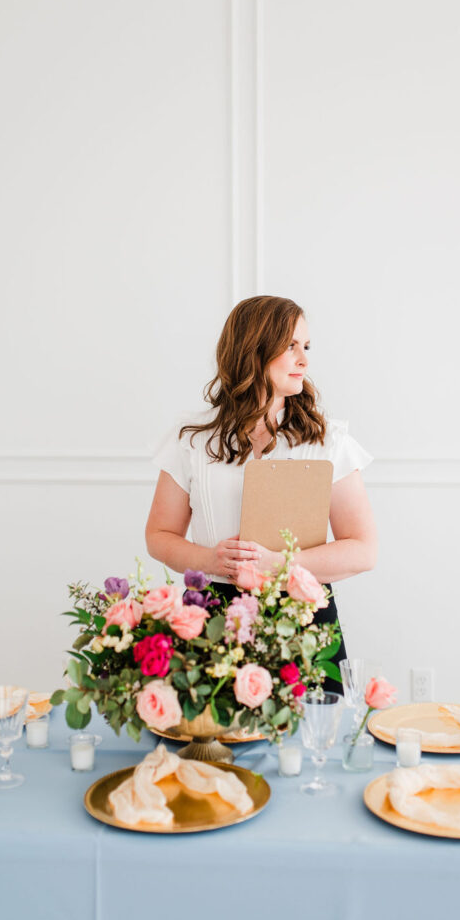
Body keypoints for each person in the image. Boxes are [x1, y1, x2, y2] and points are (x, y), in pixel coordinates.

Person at [145, 295, 376, 691]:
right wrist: (210, 558)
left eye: (306, 347)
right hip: (211, 617)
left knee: (312, 745)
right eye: (291, 347)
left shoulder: (327, 441)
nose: (304, 360)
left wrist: (277, 564)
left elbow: (363, 550)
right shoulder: (192, 440)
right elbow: (159, 536)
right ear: (253, 350)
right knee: (212, 745)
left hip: (304, 622)